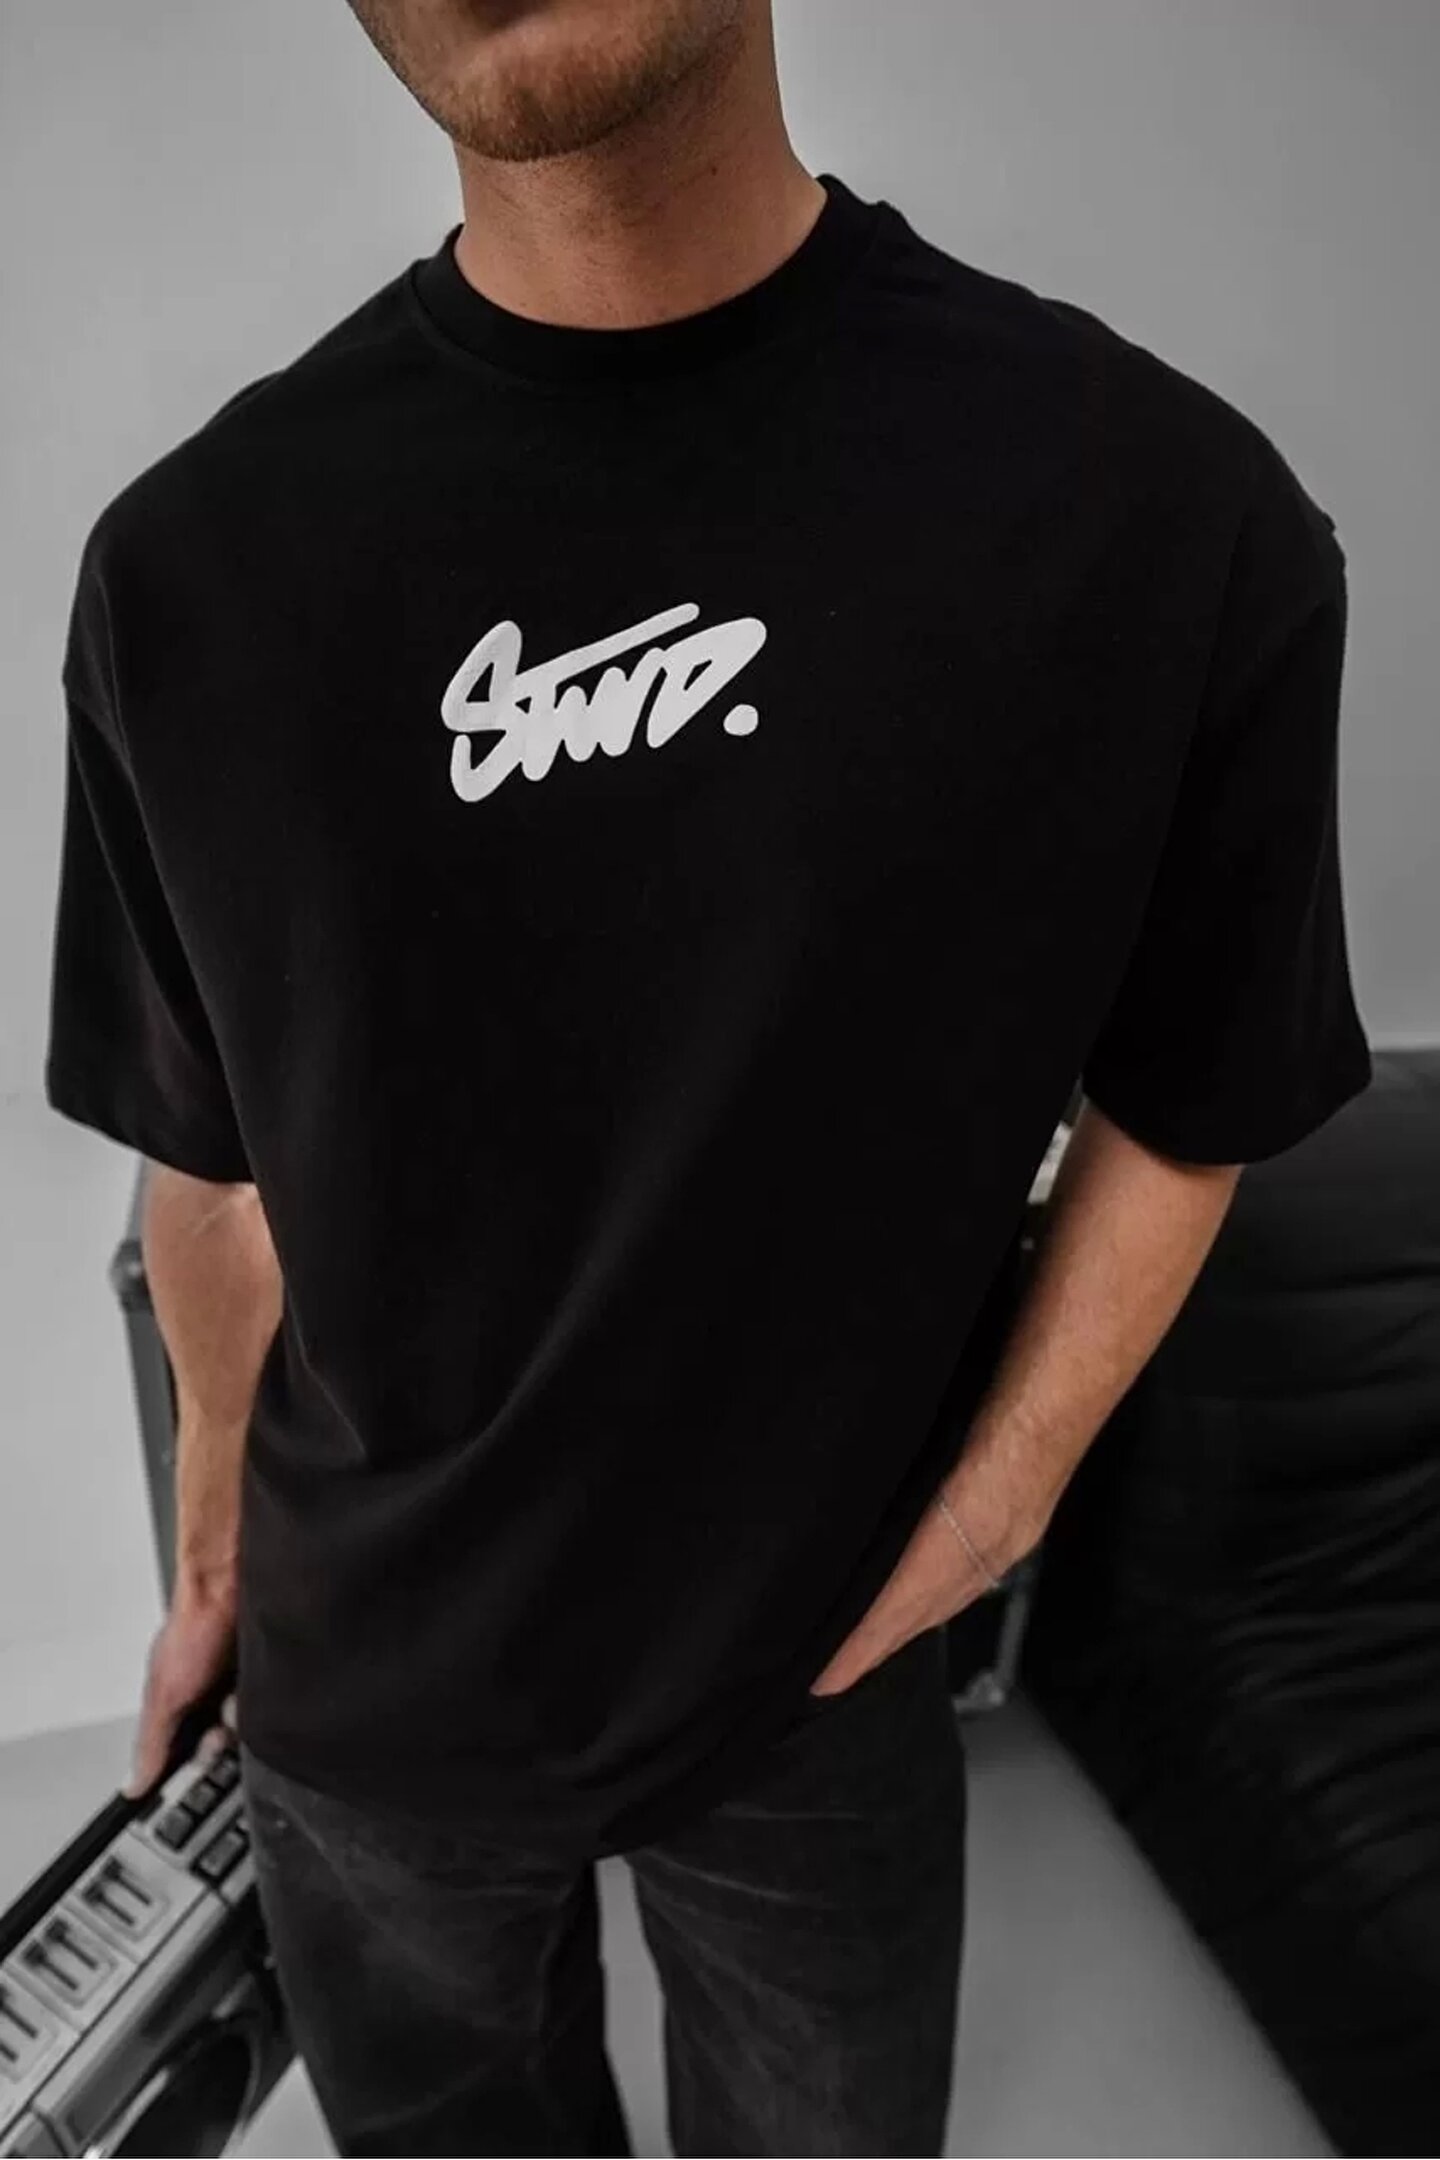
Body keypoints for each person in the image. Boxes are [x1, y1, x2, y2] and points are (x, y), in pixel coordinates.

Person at [42, 1, 1373, 2152]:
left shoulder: (1162, 517)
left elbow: (1197, 1090)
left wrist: (991, 1517)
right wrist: (213, 1571)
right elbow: (210, 1165)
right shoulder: (187, 574)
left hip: (815, 1668)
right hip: (364, 1684)